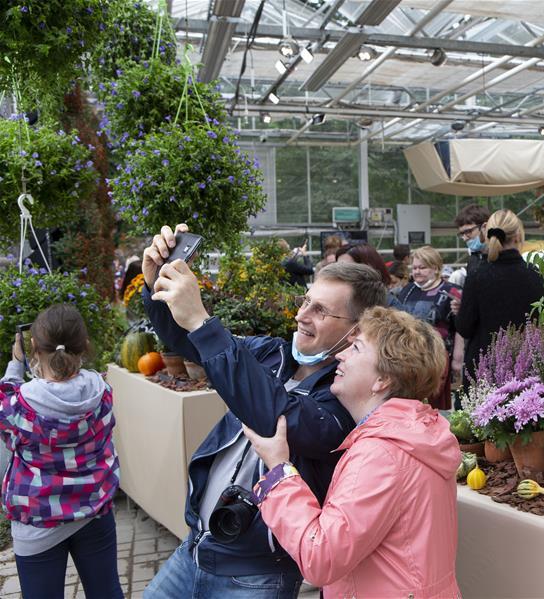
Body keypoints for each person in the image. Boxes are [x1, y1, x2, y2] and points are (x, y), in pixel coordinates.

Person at [141, 224, 387, 599]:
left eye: (321, 310)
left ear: (355, 331)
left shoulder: (342, 402)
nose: (303, 315)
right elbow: (191, 345)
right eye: (306, 301)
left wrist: (203, 321)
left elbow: (273, 412)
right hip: (194, 550)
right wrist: (155, 288)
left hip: (255, 575)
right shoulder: (271, 353)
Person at [242, 307, 461, 597]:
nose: (340, 356)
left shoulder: (381, 454)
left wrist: (279, 471)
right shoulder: (414, 436)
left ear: (382, 380)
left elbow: (321, 557)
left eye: (356, 348)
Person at [1, 304, 122, 599]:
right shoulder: (101, 392)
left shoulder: (18, 406)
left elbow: (7, 400)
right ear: (85, 346)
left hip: (38, 522)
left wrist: (16, 364)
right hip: (93, 509)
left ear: (32, 346)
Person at [456, 209, 544, 390]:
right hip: (524, 366)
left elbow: (464, 327)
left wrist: (459, 311)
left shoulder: (478, 275)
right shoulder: (534, 274)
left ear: (486, 234)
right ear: (519, 235)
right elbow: (541, 321)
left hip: (483, 369)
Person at [394, 246, 463, 409]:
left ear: (436, 268)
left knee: (433, 406)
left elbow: (460, 326)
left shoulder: (453, 291)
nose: (417, 272)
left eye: (422, 267)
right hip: (407, 359)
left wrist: (458, 359)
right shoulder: (407, 290)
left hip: (437, 359)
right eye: (415, 267)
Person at [454, 203, 491, 286]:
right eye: (461, 234)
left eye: (468, 231)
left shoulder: (503, 257)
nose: (464, 238)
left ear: (485, 227)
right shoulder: (473, 259)